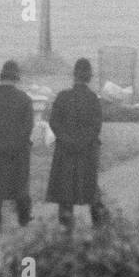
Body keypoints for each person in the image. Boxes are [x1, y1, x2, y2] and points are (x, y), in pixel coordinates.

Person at [46, 57, 104, 234]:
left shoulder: (62, 97)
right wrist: (82, 143)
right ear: (89, 77)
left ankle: (66, 233)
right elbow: (96, 127)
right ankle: (100, 230)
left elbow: (54, 123)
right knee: (91, 190)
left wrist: (67, 141)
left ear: (74, 76)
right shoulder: (93, 99)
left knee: (65, 193)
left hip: (65, 152)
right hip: (86, 152)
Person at [0, 60, 34, 233]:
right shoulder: (24, 99)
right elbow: (27, 128)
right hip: (18, 152)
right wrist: (14, 145)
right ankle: (24, 221)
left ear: (1, 77)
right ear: (17, 78)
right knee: (19, 186)